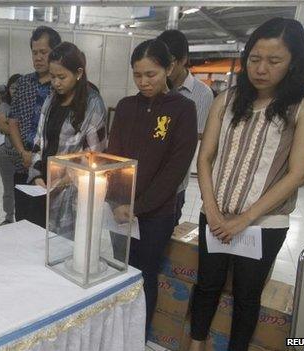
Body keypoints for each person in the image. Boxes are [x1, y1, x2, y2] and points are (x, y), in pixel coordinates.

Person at [189, 18, 304, 351]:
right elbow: (205, 158)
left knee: (247, 296)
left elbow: (298, 173)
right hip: (217, 217)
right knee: (207, 285)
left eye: (274, 61)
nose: (261, 69)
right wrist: (213, 210)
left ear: (293, 63)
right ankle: (195, 344)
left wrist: (244, 219)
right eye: (254, 59)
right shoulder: (228, 100)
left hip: (262, 224)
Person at [107, 39, 198, 332]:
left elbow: (175, 169)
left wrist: (139, 206)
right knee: (122, 270)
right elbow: (114, 157)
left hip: (156, 212)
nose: (143, 82)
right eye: (137, 75)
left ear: (168, 68)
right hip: (121, 209)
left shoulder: (183, 109)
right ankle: (117, 330)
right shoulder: (125, 106)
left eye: (151, 74)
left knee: (146, 274)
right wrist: (116, 201)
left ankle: (138, 335)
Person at [27, 42, 107, 230]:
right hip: (45, 184)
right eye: (52, 76)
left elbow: (95, 155)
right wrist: (37, 173)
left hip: (72, 190)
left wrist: (64, 181)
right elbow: (39, 140)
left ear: (78, 73)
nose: (55, 83)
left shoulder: (92, 104)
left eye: (61, 77)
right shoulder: (51, 98)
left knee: (66, 245)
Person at [157, 30, 214, 226]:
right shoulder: (154, 86)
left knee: (164, 238)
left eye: (171, 61)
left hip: (174, 184)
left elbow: (193, 143)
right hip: (145, 178)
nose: (166, 67)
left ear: (183, 60)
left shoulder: (201, 94)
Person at [7, 26, 61, 224]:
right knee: (22, 218)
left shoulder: (60, 86)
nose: (38, 58)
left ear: (55, 53)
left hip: (48, 168)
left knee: (44, 222)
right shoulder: (24, 83)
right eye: (34, 52)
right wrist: (22, 151)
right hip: (23, 165)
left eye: (43, 53)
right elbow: (13, 121)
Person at [0, 73, 22, 225]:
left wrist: (9, 126)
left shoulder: (28, 106)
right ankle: (8, 217)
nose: (16, 91)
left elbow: (7, 127)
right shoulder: (5, 105)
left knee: (22, 188)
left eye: (19, 88)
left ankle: (22, 217)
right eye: (12, 87)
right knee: (8, 189)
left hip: (22, 155)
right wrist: (18, 130)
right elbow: (0, 125)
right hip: (6, 153)